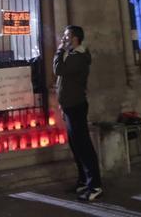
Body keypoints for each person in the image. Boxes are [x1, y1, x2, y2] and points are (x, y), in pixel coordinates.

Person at [54, 24, 101, 201]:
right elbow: (64, 80)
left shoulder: (79, 57)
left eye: (66, 36)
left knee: (84, 146)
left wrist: (59, 50)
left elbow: (58, 70)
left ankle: (95, 185)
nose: (63, 39)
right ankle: (83, 181)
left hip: (76, 106)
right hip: (69, 106)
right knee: (76, 146)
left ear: (75, 38)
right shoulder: (73, 54)